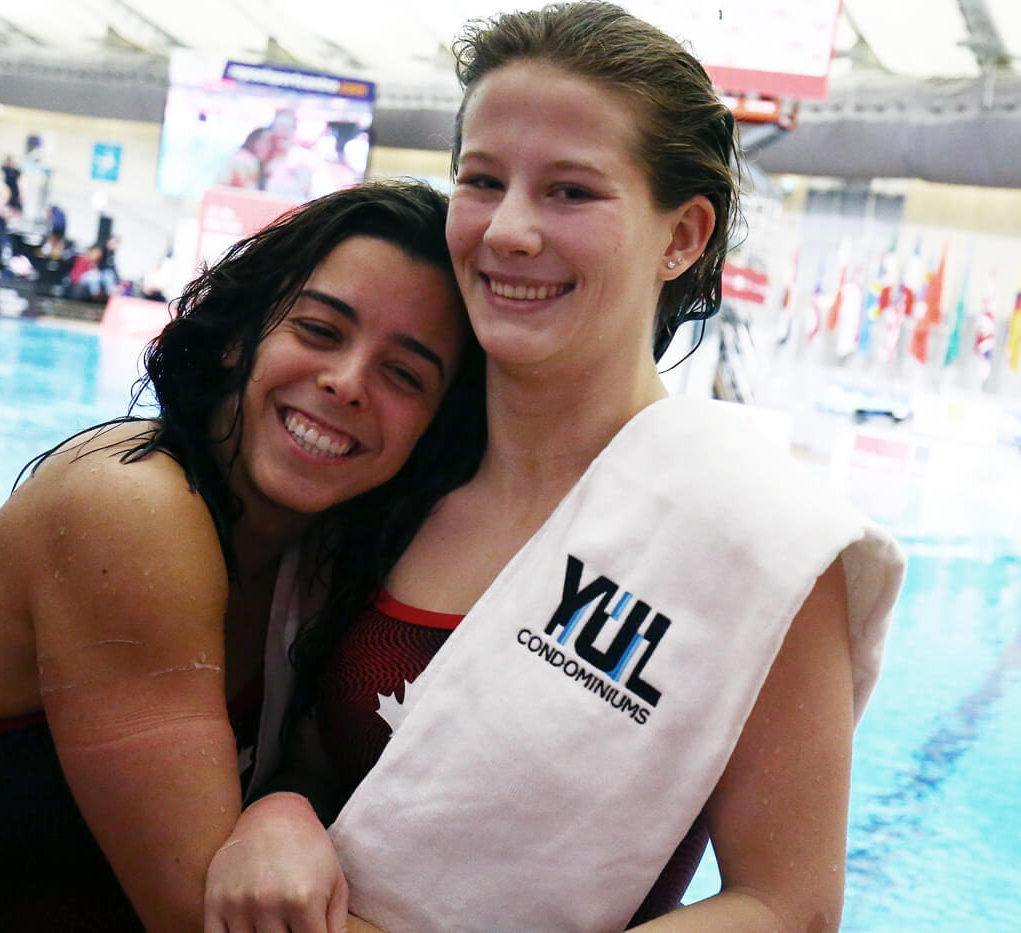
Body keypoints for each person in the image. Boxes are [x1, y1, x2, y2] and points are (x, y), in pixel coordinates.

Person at [203, 4, 904, 933]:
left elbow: (785, 906)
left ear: (683, 235)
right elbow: (317, 759)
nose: (510, 232)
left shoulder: (754, 535)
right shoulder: (395, 470)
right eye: (483, 180)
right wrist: (274, 814)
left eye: (571, 192)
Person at [0, 180, 487, 933]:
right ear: (240, 334)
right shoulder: (129, 504)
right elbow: (207, 920)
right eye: (320, 330)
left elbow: (309, 773)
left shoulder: (316, 561)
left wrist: (283, 809)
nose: (346, 382)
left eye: (405, 374)